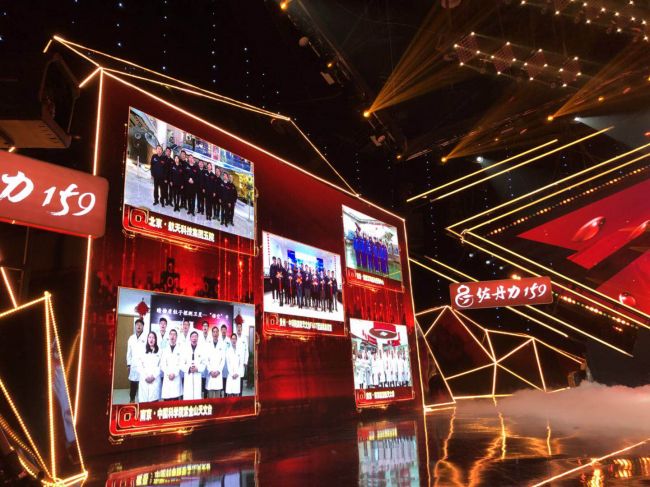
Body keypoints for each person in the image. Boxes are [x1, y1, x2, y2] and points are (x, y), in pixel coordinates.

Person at [182, 331, 206, 401]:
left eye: (196, 336)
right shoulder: (185, 349)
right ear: (190, 338)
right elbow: (181, 363)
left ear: (198, 338)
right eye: (192, 337)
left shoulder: (202, 349)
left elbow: (204, 363)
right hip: (188, 376)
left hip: (197, 376)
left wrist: (197, 369)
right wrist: (188, 369)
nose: (194, 338)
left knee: (197, 397)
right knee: (188, 397)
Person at [137, 332, 161, 403]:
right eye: (150, 337)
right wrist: (145, 377)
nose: (151, 339)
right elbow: (139, 365)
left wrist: (153, 376)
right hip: (144, 380)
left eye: (153, 337)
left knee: (154, 403)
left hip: (155, 380)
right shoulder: (142, 350)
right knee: (144, 404)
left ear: (156, 340)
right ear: (147, 339)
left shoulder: (160, 351)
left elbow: (160, 366)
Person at [126, 318, 146, 403]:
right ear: (135, 326)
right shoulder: (131, 338)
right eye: (137, 324)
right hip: (133, 365)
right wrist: (128, 364)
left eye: (140, 325)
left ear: (143, 327)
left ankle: (142, 402)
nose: (139, 326)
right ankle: (132, 400)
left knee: (142, 385)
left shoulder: (146, 337)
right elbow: (129, 352)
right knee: (133, 384)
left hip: (143, 365)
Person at [160, 329, 183, 401]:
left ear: (177, 337)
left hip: (176, 377)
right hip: (167, 377)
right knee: (167, 401)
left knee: (175, 400)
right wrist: (168, 374)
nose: (172, 336)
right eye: (171, 334)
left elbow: (181, 363)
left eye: (174, 334)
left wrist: (174, 374)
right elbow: (162, 364)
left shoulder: (180, 349)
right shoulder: (164, 349)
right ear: (169, 336)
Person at [206, 326, 226, 398]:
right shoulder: (208, 344)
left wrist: (218, 371)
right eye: (214, 332)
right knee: (210, 397)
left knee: (218, 397)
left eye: (216, 332)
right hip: (210, 374)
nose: (215, 333)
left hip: (218, 374)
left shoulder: (222, 345)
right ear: (212, 333)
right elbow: (206, 359)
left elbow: (223, 360)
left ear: (218, 333)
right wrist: (210, 371)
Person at [235, 318, 249, 396]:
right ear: (236, 328)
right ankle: (235, 394)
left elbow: (246, 350)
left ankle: (240, 395)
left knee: (240, 379)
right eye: (238, 327)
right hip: (235, 362)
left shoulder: (244, 338)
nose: (239, 328)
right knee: (235, 378)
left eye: (240, 327)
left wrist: (245, 361)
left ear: (242, 328)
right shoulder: (234, 337)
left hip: (242, 363)